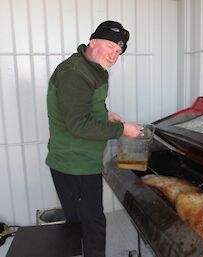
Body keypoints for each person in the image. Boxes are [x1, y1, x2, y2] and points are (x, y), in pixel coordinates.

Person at [46, 20, 142, 257]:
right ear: (92, 41)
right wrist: (122, 131)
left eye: (118, 52)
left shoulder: (91, 68)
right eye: (110, 46)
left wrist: (105, 113)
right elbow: (78, 123)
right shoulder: (74, 73)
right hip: (75, 165)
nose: (114, 55)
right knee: (92, 226)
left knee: (83, 224)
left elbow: (83, 105)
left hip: (81, 160)